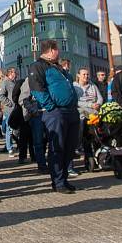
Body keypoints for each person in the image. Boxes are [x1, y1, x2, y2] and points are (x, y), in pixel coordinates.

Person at [29, 40, 79, 194]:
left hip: (70, 111)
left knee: (70, 147)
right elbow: (37, 89)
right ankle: (58, 182)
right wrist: (52, 107)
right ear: (50, 51)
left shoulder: (57, 67)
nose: (60, 52)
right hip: (56, 113)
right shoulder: (37, 66)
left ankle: (64, 178)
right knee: (57, 147)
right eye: (58, 49)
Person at [74, 68, 102, 172]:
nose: (86, 76)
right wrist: (90, 104)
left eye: (87, 74)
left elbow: (100, 98)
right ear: (78, 75)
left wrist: (98, 104)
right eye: (84, 74)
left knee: (98, 135)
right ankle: (81, 148)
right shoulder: (75, 86)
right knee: (85, 132)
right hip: (82, 112)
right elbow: (76, 101)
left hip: (94, 113)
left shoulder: (93, 85)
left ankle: (100, 156)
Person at [0, 68, 18, 157]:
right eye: (14, 73)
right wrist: (10, 104)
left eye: (15, 73)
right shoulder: (5, 82)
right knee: (9, 130)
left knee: (13, 129)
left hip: (15, 109)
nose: (15, 74)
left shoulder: (14, 82)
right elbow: (1, 95)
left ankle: (9, 145)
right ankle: (9, 149)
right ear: (9, 73)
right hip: (9, 110)